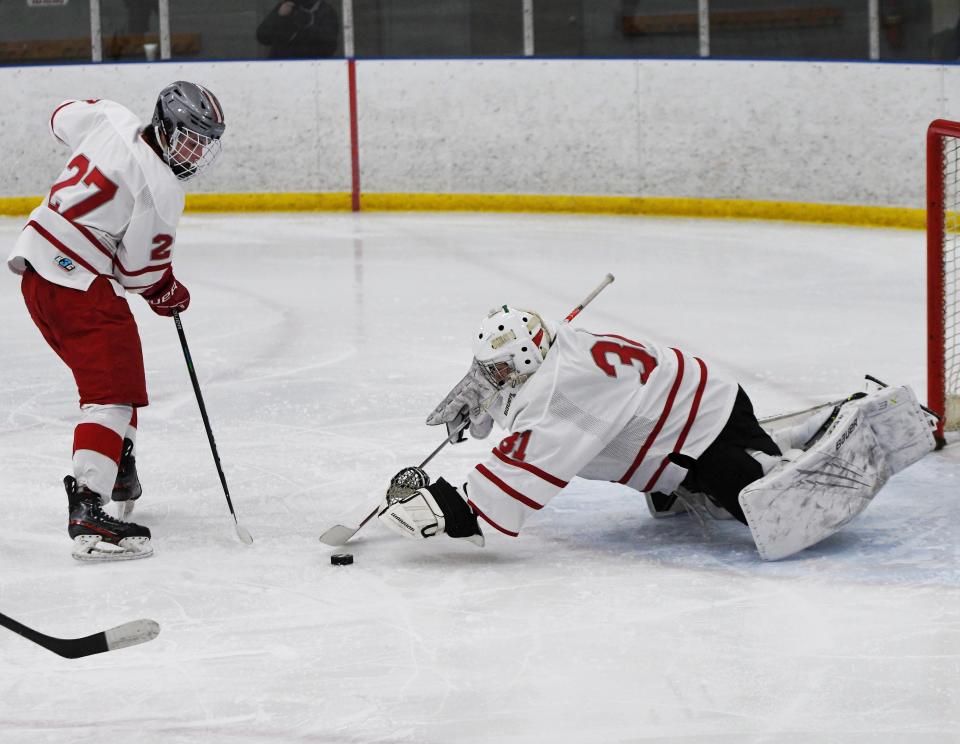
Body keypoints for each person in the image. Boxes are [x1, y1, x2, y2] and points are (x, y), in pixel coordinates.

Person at [377, 305, 936, 560]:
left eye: (499, 372)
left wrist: (454, 507)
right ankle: (707, 471)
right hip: (696, 406)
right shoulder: (558, 344)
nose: (491, 380)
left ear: (528, 358)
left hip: (703, 429)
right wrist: (488, 398)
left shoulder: (555, 396)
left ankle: (859, 415)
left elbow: (522, 467)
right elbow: (527, 405)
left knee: (758, 501)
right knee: (721, 488)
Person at [6, 81, 226, 562]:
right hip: (77, 283)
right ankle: (87, 507)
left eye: (205, 142)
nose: (196, 151)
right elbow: (137, 272)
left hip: (36, 270)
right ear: (165, 126)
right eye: (190, 137)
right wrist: (167, 291)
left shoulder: (110, 117)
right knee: (108, 395)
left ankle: (119, 466)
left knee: (119, 378)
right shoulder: (161, 187)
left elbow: (61, 115)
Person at [256, 0, 340, 59]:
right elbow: (262, 36)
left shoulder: (326, 11)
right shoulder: (286, 6)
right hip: (279, 66)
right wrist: (278, 16)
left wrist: (308, 27)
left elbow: (329, 47)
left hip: (311, 69)